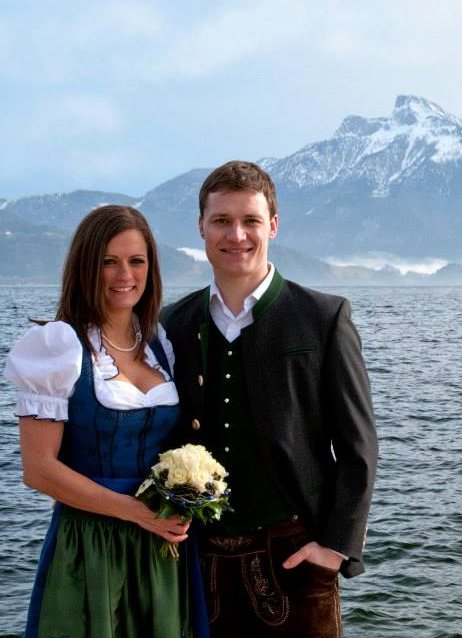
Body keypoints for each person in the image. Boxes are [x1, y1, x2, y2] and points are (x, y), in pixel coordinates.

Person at [160, 161, 378, 637]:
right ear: (200, 226)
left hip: (298, 558)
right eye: (221, 220)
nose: (236, 234)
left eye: (251, 221)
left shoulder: (324, 316)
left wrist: (335, 548)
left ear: (273, 226)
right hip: (198, 564)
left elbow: (359, 447)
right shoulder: (173, 323)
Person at [4, 205, 204, 638]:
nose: (124, 276)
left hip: (159, 548)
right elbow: (39, 470)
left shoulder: (160, 341)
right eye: (108, 263)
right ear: (85, 267)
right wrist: (138, 513)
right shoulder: (57, 345)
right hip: (91, 545)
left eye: (136, 261)